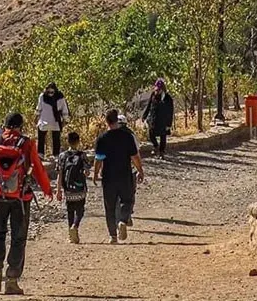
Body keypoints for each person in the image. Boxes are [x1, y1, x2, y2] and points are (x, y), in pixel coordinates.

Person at [0, 113, 53, 295]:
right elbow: (38, 168)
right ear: (20, 127)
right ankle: (12, 280)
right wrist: (47, 190)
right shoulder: (26, 143)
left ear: (4, 126)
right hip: (21, 198)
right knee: (18, 237)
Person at [94, 109, 145, 244]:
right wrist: (140, 170)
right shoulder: (127, 136)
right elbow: (134, 156)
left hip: (108, 176)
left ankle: (113, 236)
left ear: (106, 121)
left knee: (109, 206)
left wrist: (95, 174)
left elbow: (98, 159)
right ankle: (123, 220)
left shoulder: (102, 138)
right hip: (125, 174)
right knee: (127, 200)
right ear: (117, 120)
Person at [56, 132, 90, 244]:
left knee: (70, 210)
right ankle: (75, 225)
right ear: (78, 141)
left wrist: (58, 190)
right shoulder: (82, 155)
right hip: (80, 189)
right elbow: (87, 172)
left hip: (68, 189)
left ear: (68, 141)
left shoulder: (62, 156)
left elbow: (60, 174)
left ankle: (71, 235)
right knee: (80, 209)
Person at [34, 82, 70, 158]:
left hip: (44, 122)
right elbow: (65, 110)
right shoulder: (60, 97)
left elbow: (39, 109)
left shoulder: (42, 96)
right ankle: (56, 155)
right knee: (56, 138)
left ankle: (41, 154)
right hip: (56, 122)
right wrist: (65, 120)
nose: (50, 93)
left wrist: (36, 117)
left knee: (41, 137)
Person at [142, 78, 174, 158]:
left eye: (159, 89)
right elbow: (149, 105)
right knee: (151, 134)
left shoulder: (167, 98)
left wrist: (169, 123)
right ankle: (156, 146)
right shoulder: (153, 95)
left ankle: (161, 152)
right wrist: (144, 116)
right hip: (153, 119)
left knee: (163, 136)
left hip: (163, 120)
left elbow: (171, 111)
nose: (157, 91)